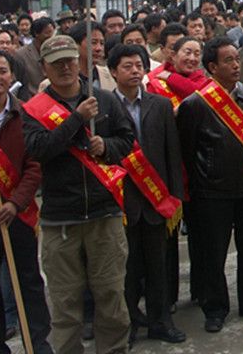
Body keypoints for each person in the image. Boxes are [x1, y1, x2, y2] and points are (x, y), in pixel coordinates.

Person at [21, 35, 136, 354]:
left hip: (104, 215)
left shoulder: (105, 99)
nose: (65, 68)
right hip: (61, 220)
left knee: (111, 296)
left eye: (70, 60)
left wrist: (106, 147)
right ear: (44, 67)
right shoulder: (34, 110)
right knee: (65, 303)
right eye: (56, 63)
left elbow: (126, 141)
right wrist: (77, 119)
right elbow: (40, 150)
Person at [176, 36, 243, 331]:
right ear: (212, 67)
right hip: (211, 191)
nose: (235, 65)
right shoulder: (195, 104)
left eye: (236, 59)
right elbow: (187, 150)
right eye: (228, 60)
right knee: (213, 253)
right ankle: (215, 308)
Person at [0, 49, 53, 354]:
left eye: (2, 71)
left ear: (12, 75)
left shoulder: (25, 113)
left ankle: (37, 343)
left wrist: (15, 202)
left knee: (29, 281)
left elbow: (35, 166)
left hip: (19, 215)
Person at [108, 44, 186, 344]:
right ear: (113, 71)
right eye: (126, 66)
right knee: (126, 269)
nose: (134, 71)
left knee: (158, 266)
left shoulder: (161, 105)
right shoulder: (104, 106)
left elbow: (172, 152)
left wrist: (175, 195)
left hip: (157, 198)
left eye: (138, 66)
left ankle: (160, 322)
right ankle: (127, 324)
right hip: (123, 200)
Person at [13, 16, 56, 101]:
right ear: (37, 34)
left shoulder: (56, 51)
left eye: (52, 33)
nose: (51, 37)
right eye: (47, 33)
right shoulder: (21, 55)